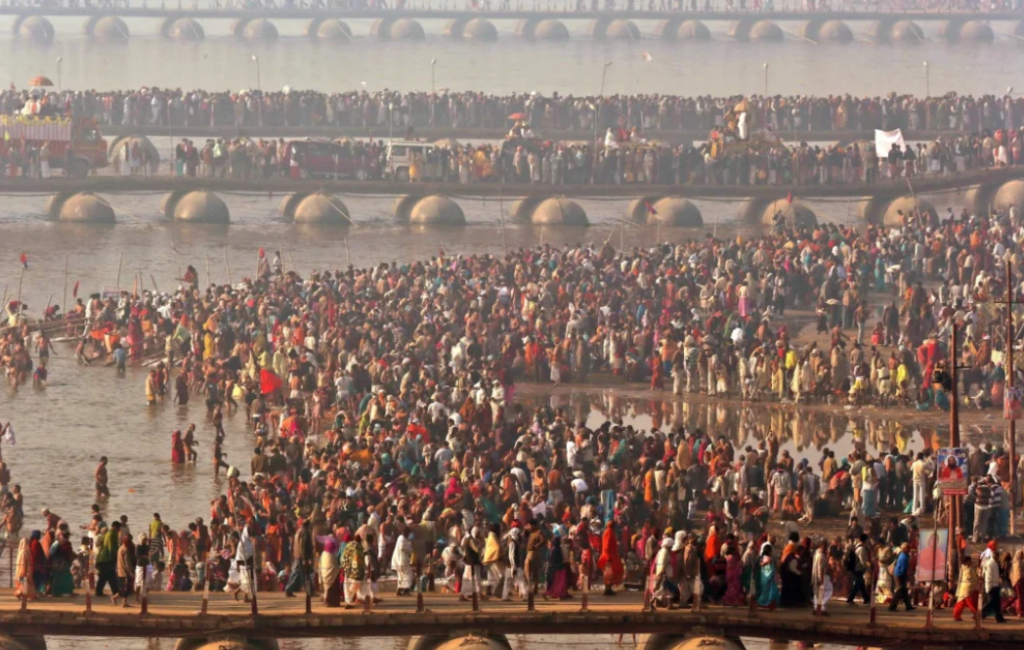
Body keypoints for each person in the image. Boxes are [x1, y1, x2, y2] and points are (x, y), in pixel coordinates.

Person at [981, 543, 1007, 623]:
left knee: (997, 603)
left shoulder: (995, 563)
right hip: (991, 585)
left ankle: (999, 618)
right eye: (996, 556)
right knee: (991, 602)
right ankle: (980, 613)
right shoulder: (990, 564)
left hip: (995, 584)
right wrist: (989, 586)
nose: (998, 557)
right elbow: (988, 576)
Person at [598, 520, 623, 596]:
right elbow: (607, 545)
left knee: (609, 573)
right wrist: (608, 556)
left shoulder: (609, 531)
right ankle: (607, 589)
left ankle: (608, 588)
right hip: (609, 556)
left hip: (609, 555)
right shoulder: (609, 532)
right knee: (610, 573)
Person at [953, 554, 980, 622]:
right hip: (968, 588)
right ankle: (976, 614)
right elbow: (975, 578)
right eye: (970, 561)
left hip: (963, 588)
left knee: (961, 603)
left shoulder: (963, 567)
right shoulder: (970, 569)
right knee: (970, 603)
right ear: (967, 561)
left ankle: (956, 616)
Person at [889, 542, 915, 612]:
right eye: (908, 548)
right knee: (898, 590)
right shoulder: (904, 556)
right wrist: (906, 577)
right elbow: (903, 568)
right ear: (904, 548)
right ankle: (892, 606)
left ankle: (908, 606)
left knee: (904, 591)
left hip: (899, 574)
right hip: (899, 575)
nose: (909, 549)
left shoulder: (903, 555)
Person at [757, 542, 780, 610]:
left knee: (769, 591)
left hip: (768, 576)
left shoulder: (765, 557)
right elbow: (764, 564)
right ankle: (763, 603)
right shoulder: (767, 558)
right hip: (768, 577)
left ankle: (769, 605)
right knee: (768, 591)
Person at [319, 537, 341, 608]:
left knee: (327, 588)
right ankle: (333, 602)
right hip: (333, 576)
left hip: (325, 575)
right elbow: (336, 566)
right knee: (334, 587)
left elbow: (320, 565)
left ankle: (327, 600)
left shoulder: (323, 554)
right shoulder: (334, 554)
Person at [812, 540, 832, 615]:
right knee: (823, 594)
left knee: (817, 594)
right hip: (820, 577)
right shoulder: (821, 556)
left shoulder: (817, 554)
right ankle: (822, 610)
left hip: (816, 577)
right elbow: (821, 569)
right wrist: (821, 580)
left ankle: (816, 609)